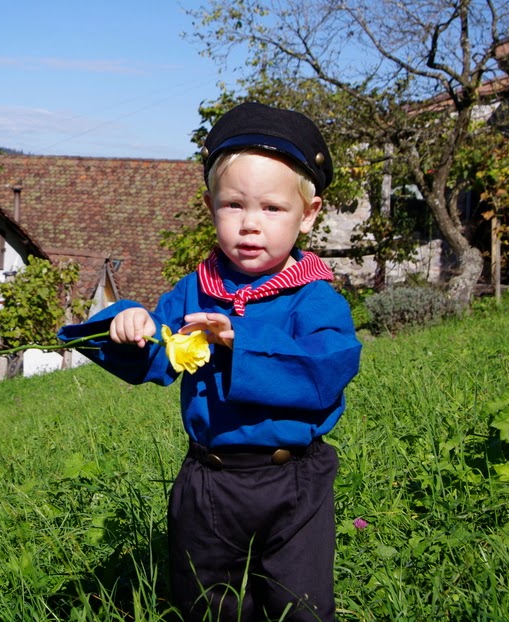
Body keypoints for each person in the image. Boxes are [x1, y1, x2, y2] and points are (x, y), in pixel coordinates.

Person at [58, 101, 361, 621]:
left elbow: (326, 370)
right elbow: (154, 356)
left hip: (293, 480)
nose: (250, 225)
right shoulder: (195, 290)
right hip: (210, 478)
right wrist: (127, 323)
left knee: (300, 606)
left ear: (308, 215)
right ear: (210, 206)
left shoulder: (315, 297)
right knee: (208, 602)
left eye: (272, 208)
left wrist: (240, 342)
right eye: (233, 205)